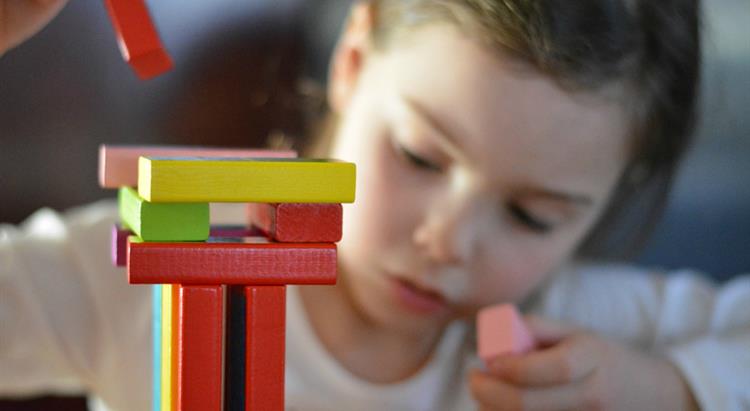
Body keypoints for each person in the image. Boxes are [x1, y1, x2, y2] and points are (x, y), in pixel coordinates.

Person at [1, 1, 748, 410]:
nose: (447, 240)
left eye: (533, 215)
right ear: (352, 62)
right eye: (420, 156)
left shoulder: (566, 335)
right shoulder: (154, 278)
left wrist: (671, 388)